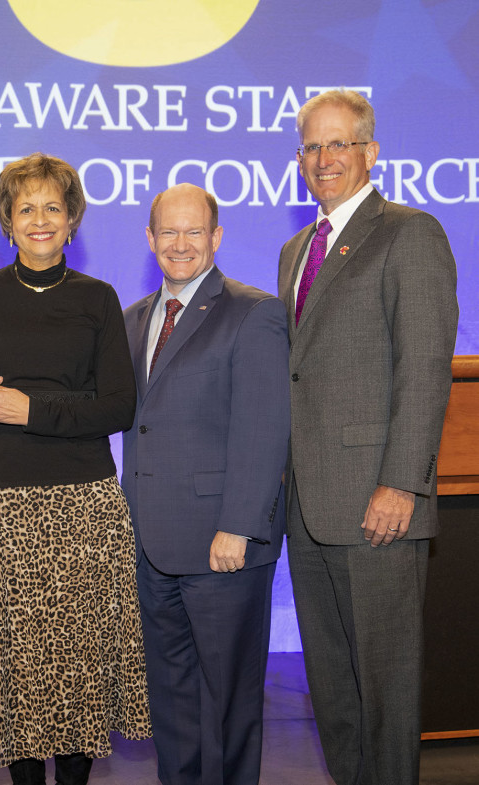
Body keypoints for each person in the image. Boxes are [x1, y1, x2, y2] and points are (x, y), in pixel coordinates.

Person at [0, 153, 151, 785]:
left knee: (77, 669)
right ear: (7, 220)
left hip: (80, 505)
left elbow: (117, 405)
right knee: (16, 673)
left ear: (73, 220)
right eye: (25, 207)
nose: (39, 219)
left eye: (53, 207)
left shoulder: (98, 299)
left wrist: (26, 408)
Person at [278, 90, 458, 785]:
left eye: (339, 145)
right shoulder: (299, 248)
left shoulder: (409, 233)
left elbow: (423, 369)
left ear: (370, 153)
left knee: (385, 696)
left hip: (379, 504)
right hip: (310, 507)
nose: (325, 160)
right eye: (313, 148)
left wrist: (402, 481)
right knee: (335, 694)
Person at [121, 183, 290, 785]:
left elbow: (264, 430)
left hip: (225, 546)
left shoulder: (254, 311)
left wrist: (239, 526)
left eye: (195, 231)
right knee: (170, 702)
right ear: (149, 240)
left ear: (217, 238)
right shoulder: (134, 318)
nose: (181, 244)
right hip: (152, 546)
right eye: (169, 231)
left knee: (229, 705)